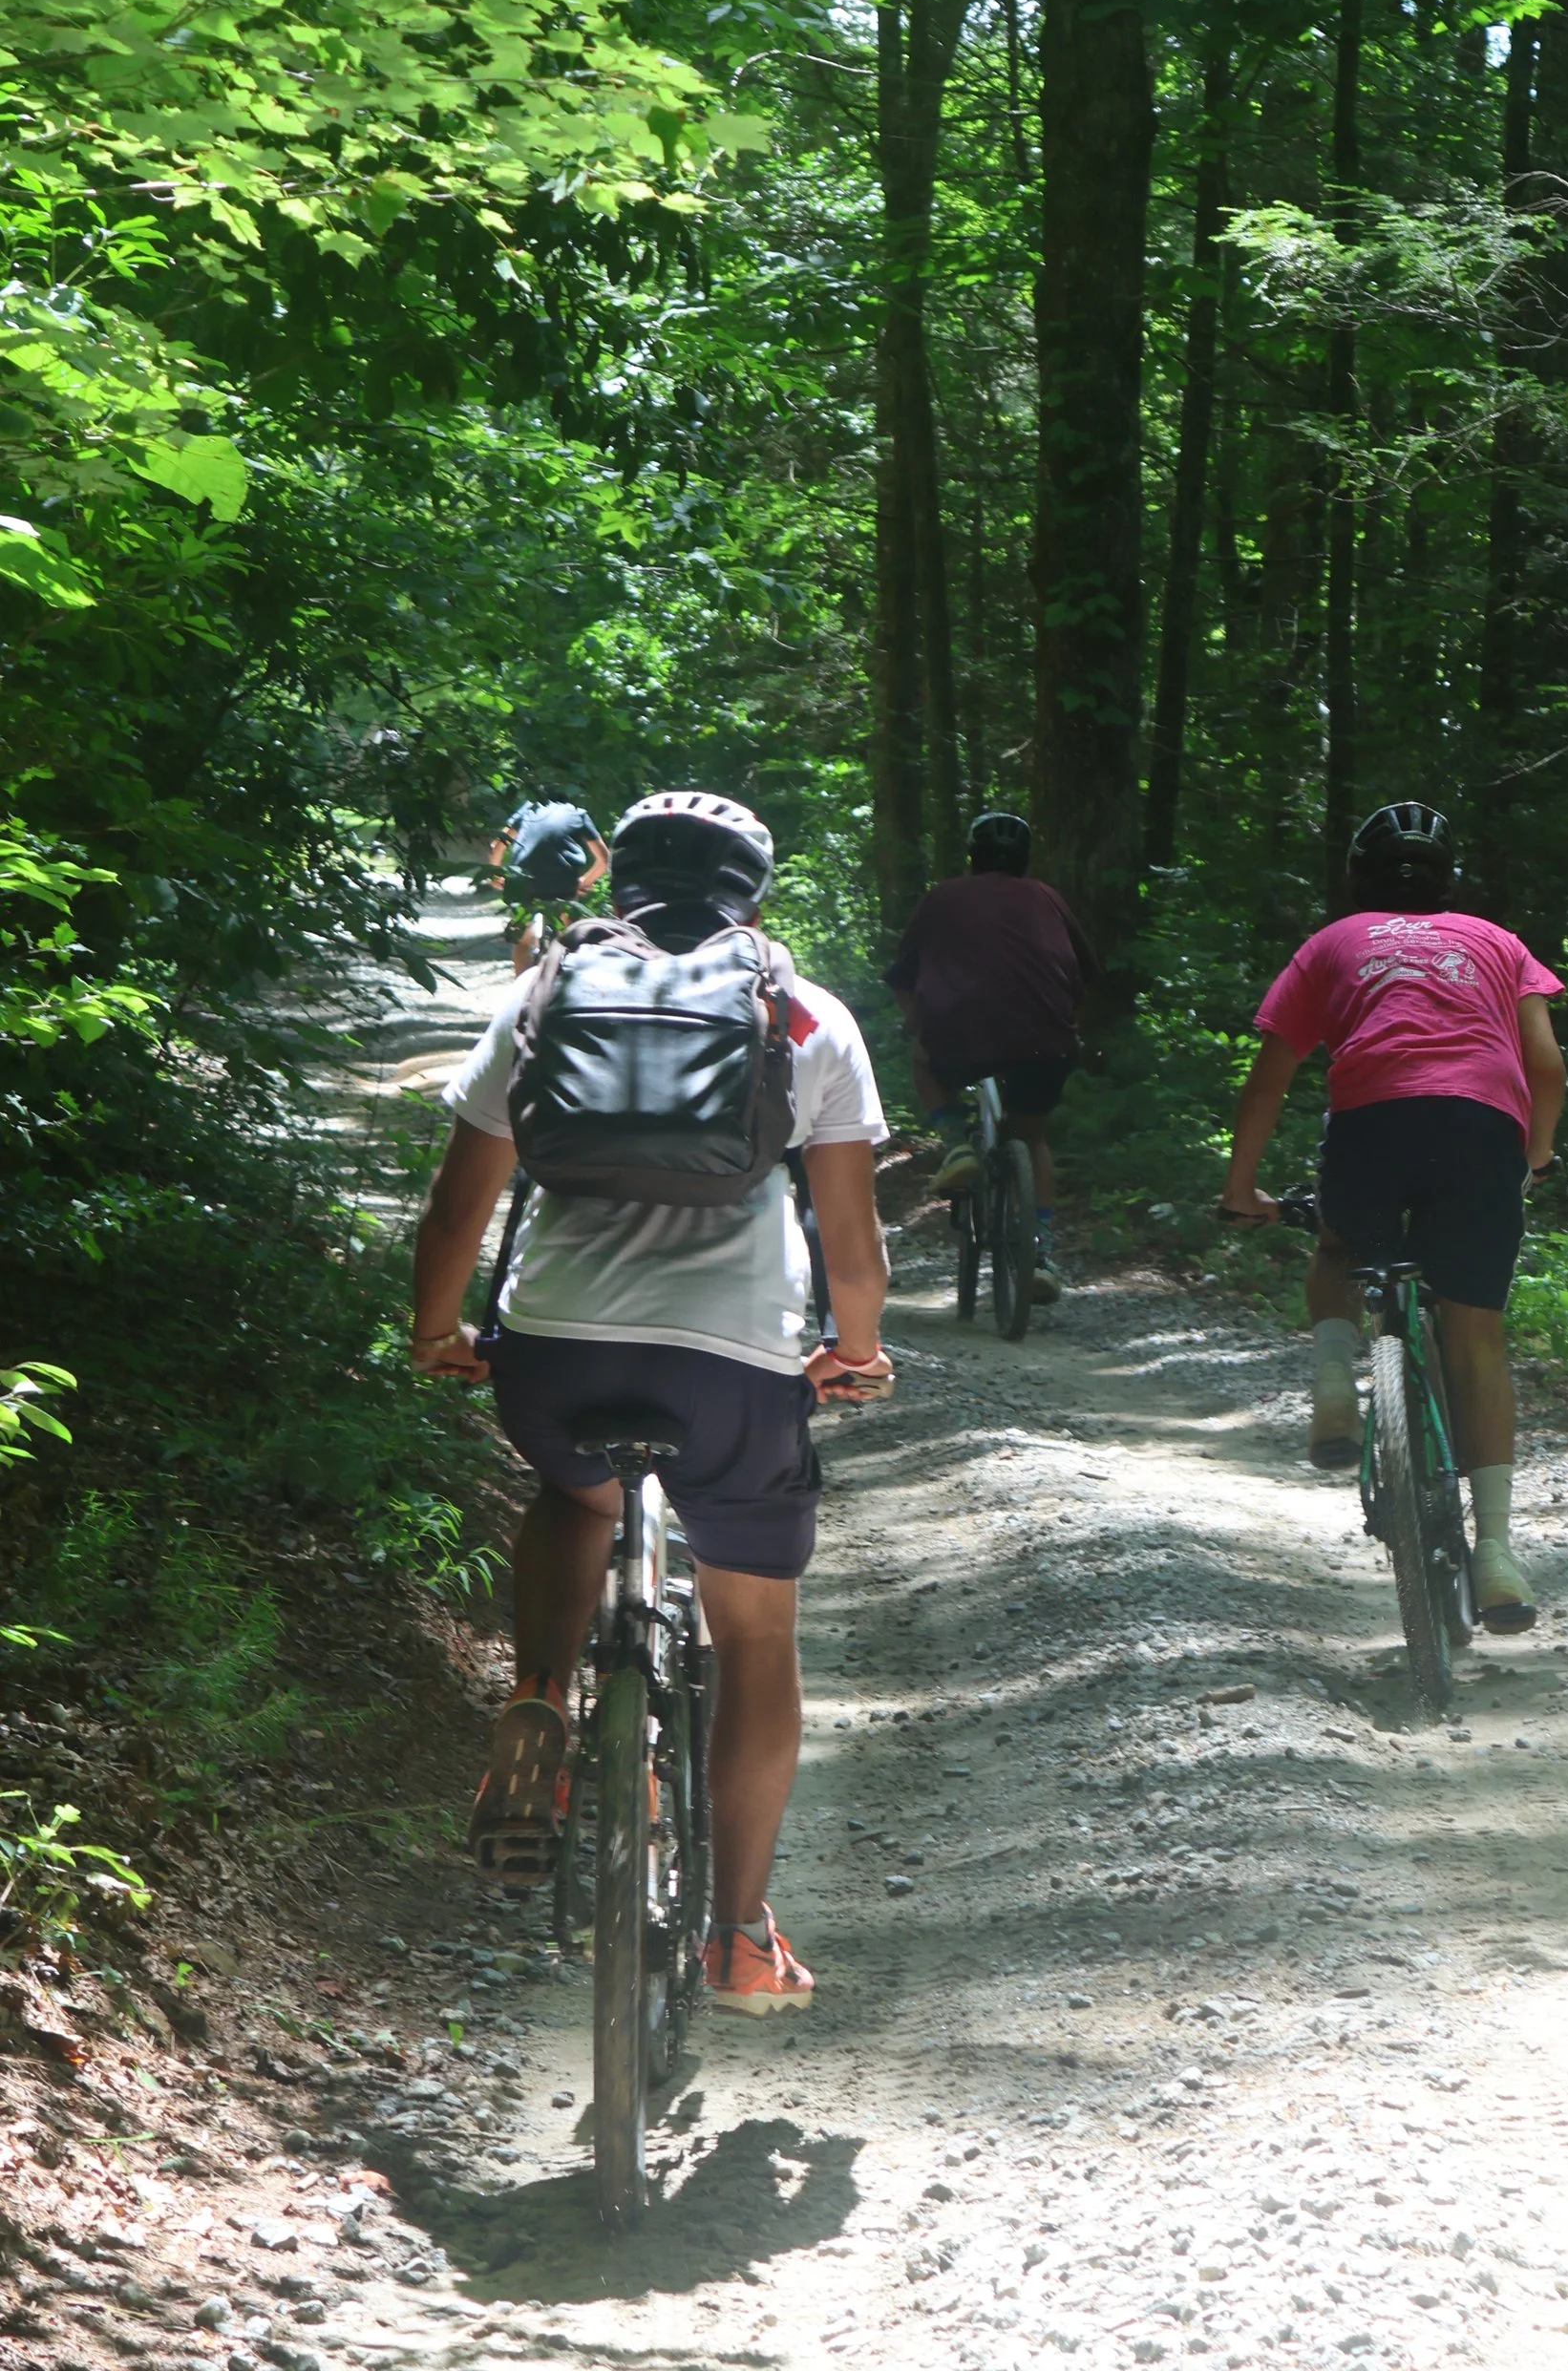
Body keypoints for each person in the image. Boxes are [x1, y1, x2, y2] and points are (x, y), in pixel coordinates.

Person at [409, 788, 895, 2012]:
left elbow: (458, 1204)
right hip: (735, 1369)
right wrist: (855, 1347)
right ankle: (736, 1931)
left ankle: (536, 1702)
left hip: (559, 1352)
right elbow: (849, 1234)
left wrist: (438, 1329)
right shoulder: (803, 1012)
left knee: (575, 1496)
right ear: (753, 890)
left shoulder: (545, 993)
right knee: (755, 1634)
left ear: (616, 878)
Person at [1217, 801, 1566, 1633]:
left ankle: (1337, 1386)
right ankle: (1497, 1557)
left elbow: (1269, 1080)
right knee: (1475, 1334)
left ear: (1356, 876)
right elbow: (1547, 1068)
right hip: (1483, 1129)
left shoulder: (1331, 944)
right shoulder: (1498, 943)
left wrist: (1241, 1188)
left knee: (1338, 1244)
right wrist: (1535, 1156)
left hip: (1372, 1126)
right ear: (1449, 877)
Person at [885, 809, 1101, 1302]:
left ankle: (958, 1144)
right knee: (1034, 1136)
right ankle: (1040, 1254)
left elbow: (902, 977)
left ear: (971, 856)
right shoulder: (1048, 897)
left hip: (958, 1033)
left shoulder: (941, 898)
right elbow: (1086, 978)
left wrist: (915, 1025)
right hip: (1045, 1038)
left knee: (922, 1059)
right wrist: (1071, 1028)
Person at [490, 797, 608, 976]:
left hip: (524, 881)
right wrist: (584, 882)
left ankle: (523, 996)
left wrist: (496, 875)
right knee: (571, 937)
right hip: (564, 882)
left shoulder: (529, 809)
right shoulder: (577, 813)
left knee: (522, 942)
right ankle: (569, 985)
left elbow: (497, 845)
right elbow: (604, 859)